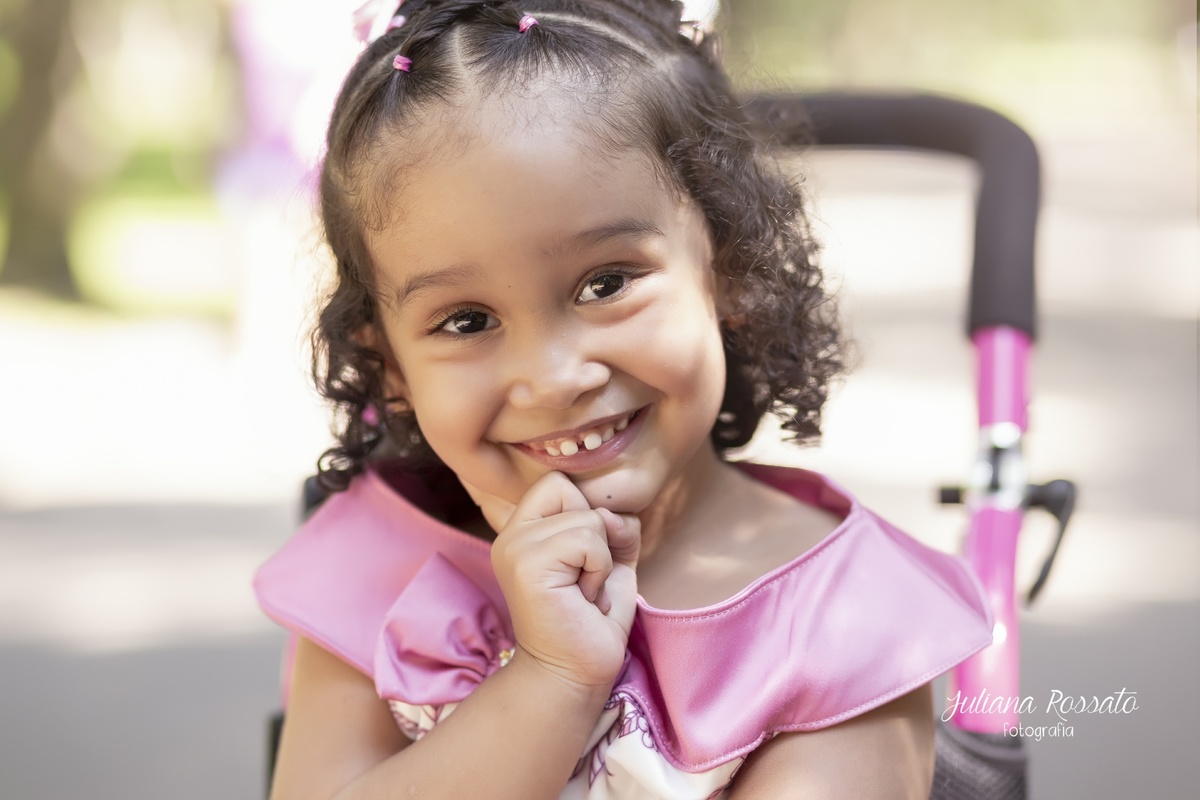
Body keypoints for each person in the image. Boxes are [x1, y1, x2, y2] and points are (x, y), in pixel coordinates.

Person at [254, 1, 993, 797]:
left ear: (728, 269)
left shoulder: (843, 619)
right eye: (467, 321)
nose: (553, 377)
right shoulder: (375, 569)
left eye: (606, 283)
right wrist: (549, 681)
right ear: (392, 366)